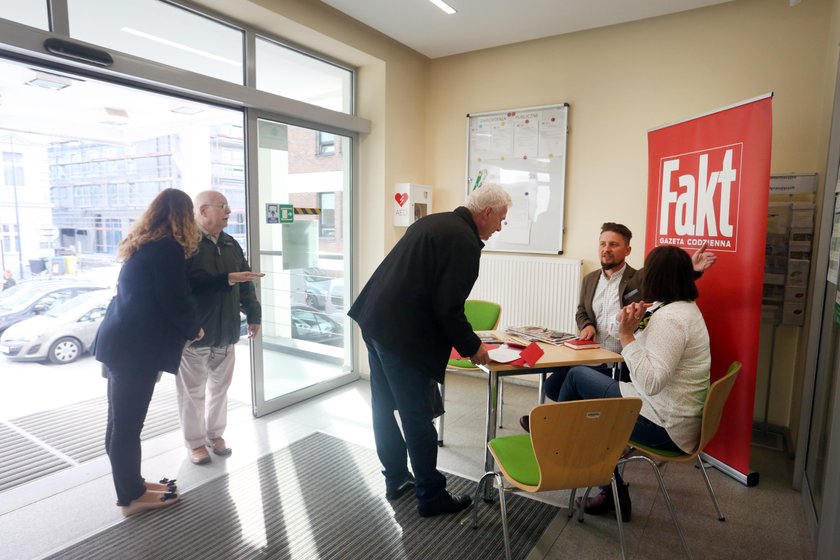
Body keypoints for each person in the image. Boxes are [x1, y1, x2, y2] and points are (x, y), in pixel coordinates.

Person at [348, 183, 511, 518]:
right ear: (486, 213)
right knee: (418, 417)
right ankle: (431, 496)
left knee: (383, 407)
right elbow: (448, 307)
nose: (499, 227)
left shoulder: (433, 222)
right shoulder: (465, 241)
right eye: (500, 220)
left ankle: (396, 479)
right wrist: (473, 347)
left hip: (376, 321)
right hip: (403, 336)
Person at [555, 244, 711, 520]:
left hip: (664, 425)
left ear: (655, 278)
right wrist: (633, 324)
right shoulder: (681, 308)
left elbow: (651, 382)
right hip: (669, 413)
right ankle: (566, 439)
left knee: (579, 381)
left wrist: (627, 335)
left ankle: (562, 447)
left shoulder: (671, 319)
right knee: (573, 388)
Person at [519, 222, 715, 431]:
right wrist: (587, 325)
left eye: (613, 244)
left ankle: (559, 433)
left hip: (623, 369)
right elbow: (582, 310)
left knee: (575, 378)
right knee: (554, 384)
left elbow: (668, 280)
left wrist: (689, 271)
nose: (606, 249)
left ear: (627, 250)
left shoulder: (644, 285)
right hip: (592, 354)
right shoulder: (590, 279)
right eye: (602, 244)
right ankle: (582, 427)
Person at [93, 188, 204, 517]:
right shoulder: (167, 248)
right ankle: (130, 498)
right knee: (127, 427)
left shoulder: (142, 244)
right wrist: (193, 328)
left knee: (118, 424)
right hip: (135, 350)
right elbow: (174, 299)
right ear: (183, 216)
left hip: (118, 343)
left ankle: (133, 485)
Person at [177, 190, 263, 465]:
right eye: (223, 206)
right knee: (193, 394)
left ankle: (215, 434)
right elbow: (181, 290)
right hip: (196, 336)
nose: (228, 211)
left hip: (227, 332)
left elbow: (246, 280)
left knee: (220, 389)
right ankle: (195, 443)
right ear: (202, 211)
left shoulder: (230, 243)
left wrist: (254, 314)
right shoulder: (185, 244)